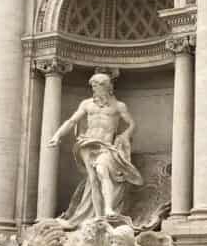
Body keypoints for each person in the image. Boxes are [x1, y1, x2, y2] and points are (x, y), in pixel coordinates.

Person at [48, 72, 143, 224]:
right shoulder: (87, 104)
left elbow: (132, 124)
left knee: (102, 169)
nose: (94, 90)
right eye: (92, 87)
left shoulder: (118, 106)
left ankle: (108, 208)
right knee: (93, 180)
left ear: (106, 87)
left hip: (106, 145)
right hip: (87, 143)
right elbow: (72, 121)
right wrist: (57, 135)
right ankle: (99, 216)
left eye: (96, 87)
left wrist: (125, 135)